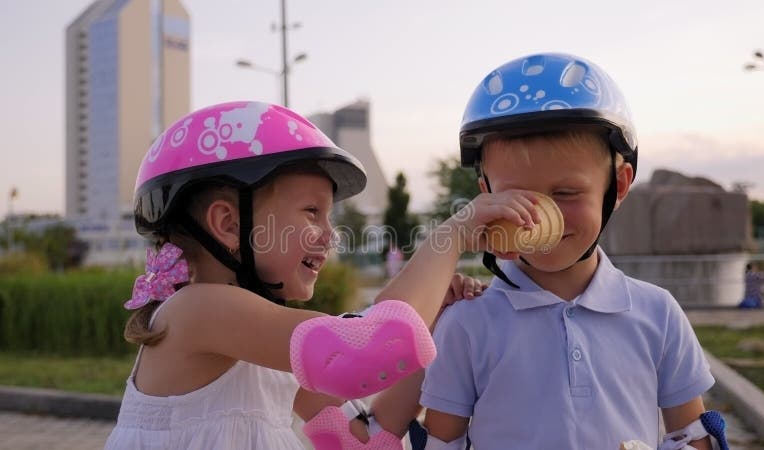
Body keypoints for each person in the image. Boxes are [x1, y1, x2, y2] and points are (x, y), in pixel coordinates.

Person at [104, 101, 537, 449]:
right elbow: (365, 351)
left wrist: (434, 324)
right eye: (313, 213)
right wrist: (453, 233)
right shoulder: (198, 310)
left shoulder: (263, 349)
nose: (331, 237)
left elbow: (363, 440)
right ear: (229, 224)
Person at [416, 53, 728, 450]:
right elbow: (442, 441)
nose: (541, 216)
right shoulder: (466, 324)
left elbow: (691, 435)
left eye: (566, 193)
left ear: (619, 185)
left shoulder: (658, 313)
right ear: (486, 196)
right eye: (516, 197)